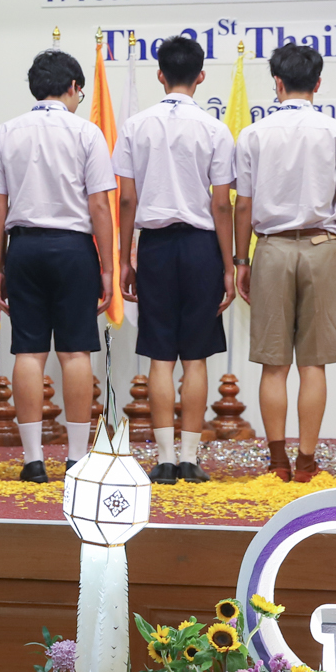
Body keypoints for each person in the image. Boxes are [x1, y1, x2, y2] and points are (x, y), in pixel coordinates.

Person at [0, 49, 116, 483]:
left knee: (28, 352)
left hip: (23, 248)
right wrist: (108, 267)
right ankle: (77, 459)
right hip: (74, 248)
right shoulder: (87, 132)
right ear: (74, 87)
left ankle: (33, 459)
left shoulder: (6, 132)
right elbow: (100, 205)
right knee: (75, 351)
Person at [232, 42, 336, 484]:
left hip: (271, 249)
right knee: (313, 364)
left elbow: (243, 205)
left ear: (277, 83)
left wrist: (241, 260)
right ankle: (306, 461)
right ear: (317, 84)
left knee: (274, 364)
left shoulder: (254, 134)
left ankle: (277, 461)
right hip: (323, 247)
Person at [114, 35, 234, 486]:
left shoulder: (135, 126)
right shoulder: (214, 129)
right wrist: (229, 265)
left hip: (156, 247)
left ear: (160, 75)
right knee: (196, 357)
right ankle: (189, 458)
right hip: (202, 246)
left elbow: (127, 199)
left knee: (160, 355)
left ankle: (164, 459)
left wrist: (125, 257)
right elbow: (221, 205)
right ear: (200, 76)